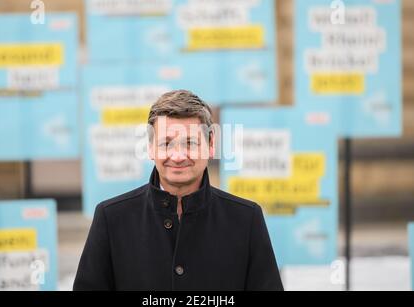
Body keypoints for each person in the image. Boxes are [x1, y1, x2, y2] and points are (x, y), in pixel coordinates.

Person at [73, 90, 283, 291]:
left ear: (211, 145)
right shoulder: (111, 218)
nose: (178, 156)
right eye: (166, 143)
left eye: (190, 143)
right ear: (151, 147)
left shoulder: (246, 219)